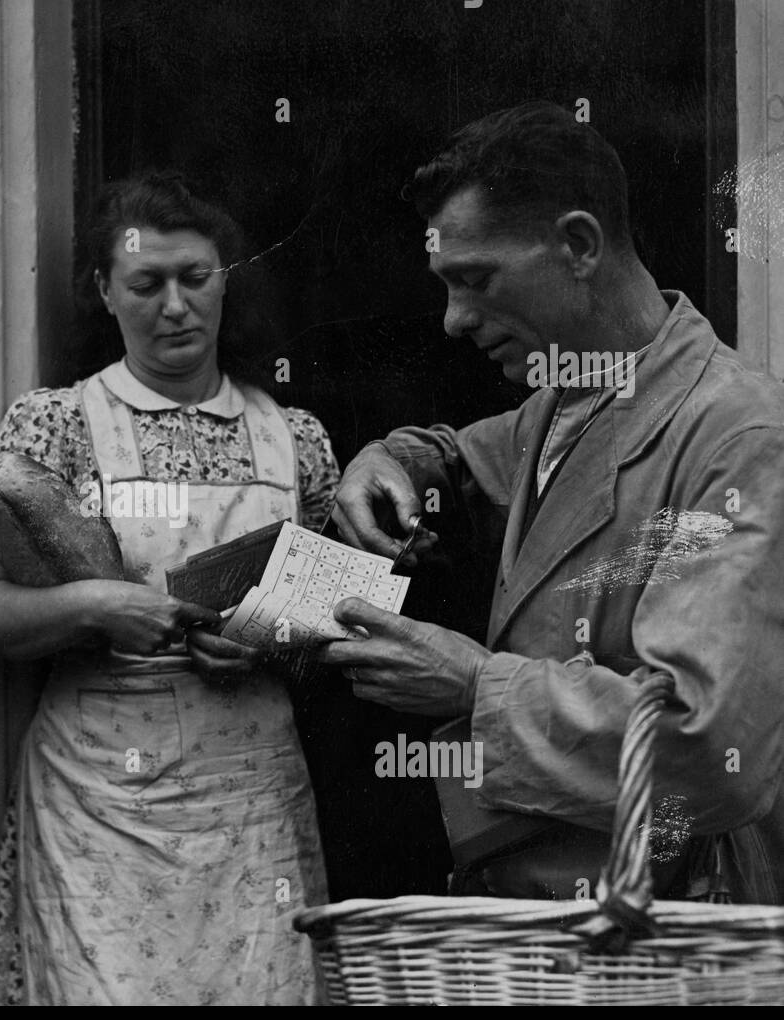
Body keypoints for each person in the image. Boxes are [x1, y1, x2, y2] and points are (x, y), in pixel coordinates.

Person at [323, 101, 784, 904]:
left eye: (476, 280)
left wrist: (476, 687)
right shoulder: (571, 394)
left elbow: (707, 750)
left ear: (578, 245)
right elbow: (463, 459)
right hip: (547, 931)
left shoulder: (741, 436)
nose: (454, 320)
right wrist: (388, 457)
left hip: (661, 940)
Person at [0, 171, 339, 1004]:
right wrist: (95, 608)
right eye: (146, 283)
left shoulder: (295, 439)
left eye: (195, 279)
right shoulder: (54, 425)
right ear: (104, 291)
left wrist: (269, 639)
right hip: (101, 801)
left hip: (251, 803)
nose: (175, 305)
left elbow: (340, 619)